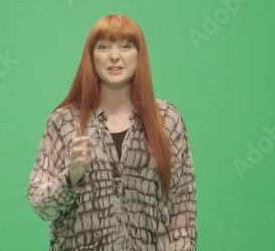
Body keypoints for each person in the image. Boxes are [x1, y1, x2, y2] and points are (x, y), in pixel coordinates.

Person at [26, 13, 197, 251]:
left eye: (126, 46)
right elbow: (41, 205)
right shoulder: (63, 122)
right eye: (104, 46)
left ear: (139, 56)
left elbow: (183, 206)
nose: (114, 56)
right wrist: (71, 176)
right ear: (92, 56)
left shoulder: (167, 119)